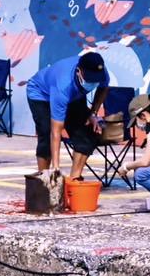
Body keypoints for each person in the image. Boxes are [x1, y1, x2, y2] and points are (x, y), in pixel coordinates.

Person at [25, 51, 109, 180]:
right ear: (78, 71)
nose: (93, 82)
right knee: (46, 134)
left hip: (74, 95)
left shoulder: (100, 72)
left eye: (96, 79)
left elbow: (103, 88)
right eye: (90, 79)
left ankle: (74, 179)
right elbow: (56, 131)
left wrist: (93, 113)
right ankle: (45, 179)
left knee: (87, 132)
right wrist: (56, 166)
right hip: (41, 94)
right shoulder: (63, 85)